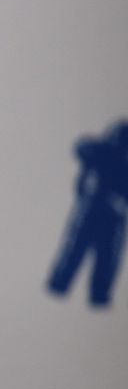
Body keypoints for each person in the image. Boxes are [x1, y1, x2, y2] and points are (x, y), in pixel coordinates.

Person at [47, 121, 128, 307]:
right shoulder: (101, 153)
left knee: (106, 260)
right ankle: (59, 288)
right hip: (91, 210)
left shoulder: (117, 162)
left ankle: (97, 297)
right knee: (75, 251)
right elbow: (82, 147)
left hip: (111, 215)